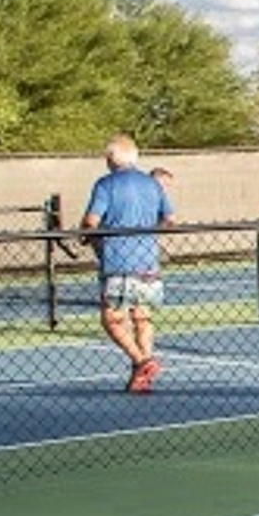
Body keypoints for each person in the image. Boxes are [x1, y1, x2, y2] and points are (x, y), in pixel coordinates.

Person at [81, 134, 175, 393]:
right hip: (148, 261)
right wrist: (148, 234)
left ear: (111, 158)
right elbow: (169, 218)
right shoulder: (152, 184)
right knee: (142, 318)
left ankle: (142, 360)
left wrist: (88, 236)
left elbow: (91, 221)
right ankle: (142, 377)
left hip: (118, 262)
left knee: (111, 319)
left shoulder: (106, 184)